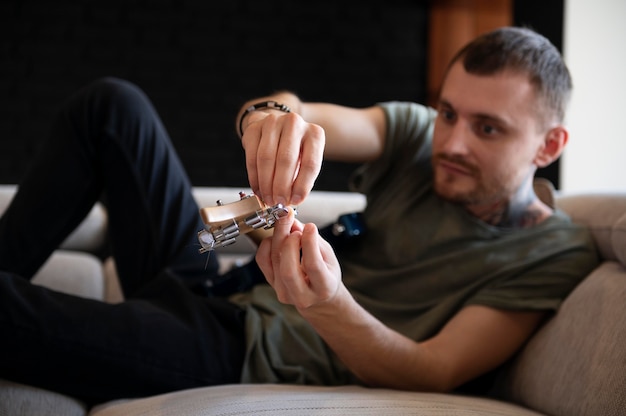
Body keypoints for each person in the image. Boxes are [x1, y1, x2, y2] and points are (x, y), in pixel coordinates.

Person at [0, 27, 598, 405]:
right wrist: (269, 121)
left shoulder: (554, 251)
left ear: (549, 146)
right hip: (215, 281)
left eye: (487, 128)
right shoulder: (421, 137)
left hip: (242, 345)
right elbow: (295, 109)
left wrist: (326, 305)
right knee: (113, 105)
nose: (453, 143)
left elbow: (434, 371)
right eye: (448, 112)